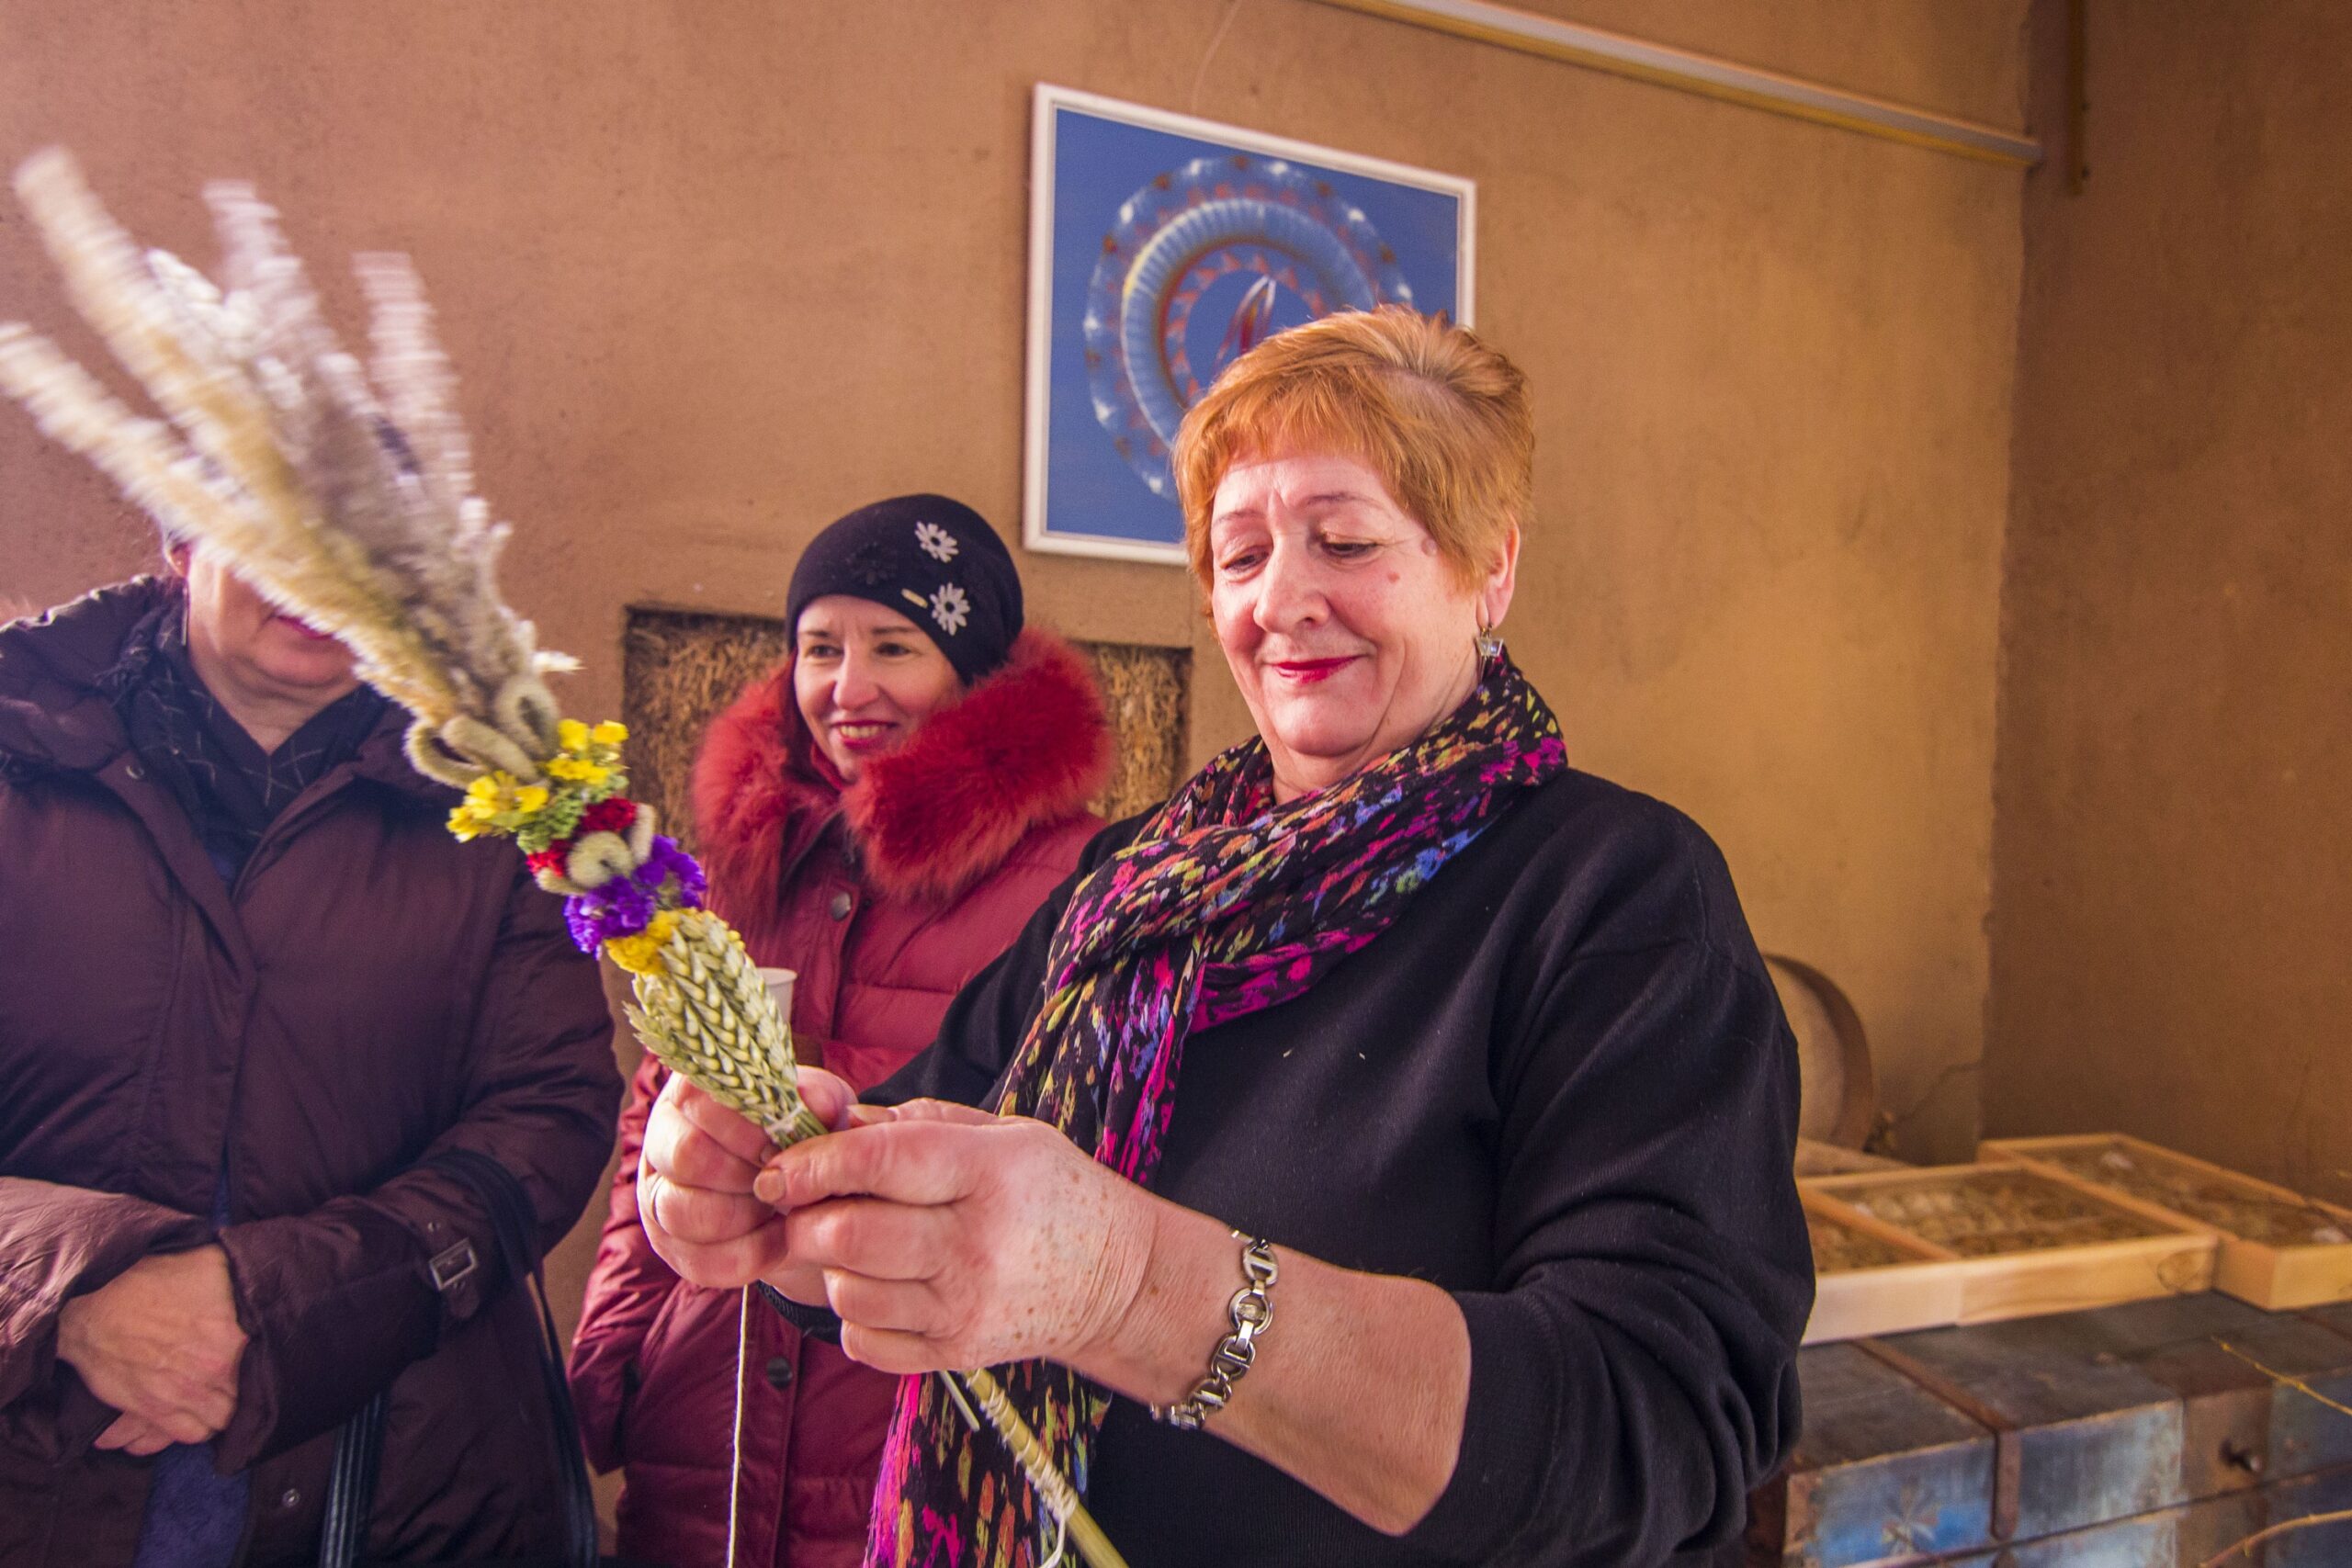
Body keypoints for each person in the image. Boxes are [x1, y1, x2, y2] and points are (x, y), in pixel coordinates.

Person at [637, 310, 1814, 1568]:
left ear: (1490, 568)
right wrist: (782, 1193)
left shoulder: (1614, 894)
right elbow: (925, 1186)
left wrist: (1132, 1285)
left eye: (1345, 541)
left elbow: (1657, 1426)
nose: (1281, 600)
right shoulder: (1131, 887)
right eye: (1240, 553)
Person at [0, 539, 621, 1566]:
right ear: (183, 533)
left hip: (395, 1488)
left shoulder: (503, 801)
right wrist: (60, 1299)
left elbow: (547, 1113)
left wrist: (281, 1306)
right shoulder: (21, 753)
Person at [569, 496, 1113, 1568]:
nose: (847, 688)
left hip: (922, 1439)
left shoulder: (1076, 882)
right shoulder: (750, 863)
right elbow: (659, 1120)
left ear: (973, 670)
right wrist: (618, 1351)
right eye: (821, 648)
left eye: (893, 647)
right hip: (708, 1440)